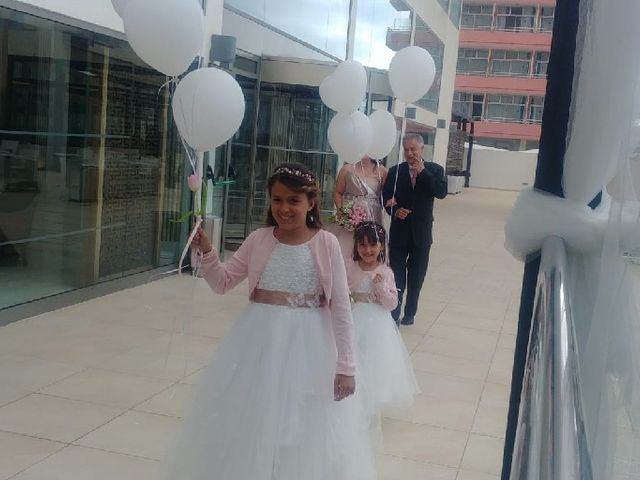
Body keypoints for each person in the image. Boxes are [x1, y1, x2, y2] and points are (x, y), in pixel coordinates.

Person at [163, 163, 375, 480]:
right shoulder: (259, 239)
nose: (284, 208)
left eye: (293, 200)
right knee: (255, 419)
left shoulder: (326, 243)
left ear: (311, 202)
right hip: (258, 344)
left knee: (302, 423)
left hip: (309, 348)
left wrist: (346, 365)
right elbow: (221, 283)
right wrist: (207, 251)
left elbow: (341, 307)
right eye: (277, 200)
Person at [347, 221, 419, 423]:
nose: (367, 250)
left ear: (381, 246)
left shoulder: (385, 272)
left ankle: (369, 407)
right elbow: (344, 292)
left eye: (372, 245)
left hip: (376, 324)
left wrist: (380, 289)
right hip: (354, 318)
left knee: (373, 361)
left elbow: (391, 304)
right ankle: (353, 403)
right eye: (362, 245)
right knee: (355, 358)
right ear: (356, 246)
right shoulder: (350, 268)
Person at [382, 133, 447, 326]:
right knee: (397, 276)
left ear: (422, 149)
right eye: (406, 150)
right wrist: (394, 210)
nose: (410, 153)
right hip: (399, 233)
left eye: (413, 149)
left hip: (422, 233)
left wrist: (423, 173)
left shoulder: (435, 169)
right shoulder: (395, 171)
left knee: (417, 277)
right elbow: (385, 198)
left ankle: (410, 313)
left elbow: (441, 192)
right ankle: (394, 312)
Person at [332, 155, 387, 259]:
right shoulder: (346, 169)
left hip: (373, 215)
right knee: (347, 245)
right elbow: (338, 193)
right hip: (350, 214)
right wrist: (342, 212)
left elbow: (388, 194)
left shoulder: (382, 171)